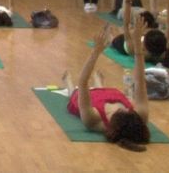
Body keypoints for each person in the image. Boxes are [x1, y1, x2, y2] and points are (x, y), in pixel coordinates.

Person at [64, 23, 151, 151]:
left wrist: (95, 53)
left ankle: (67, 82)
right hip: (113, 95)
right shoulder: (139, 116)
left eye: (120, 112)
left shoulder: (93, 119)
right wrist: (138, 46)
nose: (123, 109)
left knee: (75, 92)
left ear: (114, 121)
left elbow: (83, 83)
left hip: (90, 101)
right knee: (108, 91)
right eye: (126, 111)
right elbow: (140, 82)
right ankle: (99, 82)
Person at [112, 0, 169, 68]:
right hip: (132, 36)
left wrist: (128, 1)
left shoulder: (134, 50)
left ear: (146, 47)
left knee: (113, 39)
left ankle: (111, 38)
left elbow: (126, 25)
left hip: (121, 43)